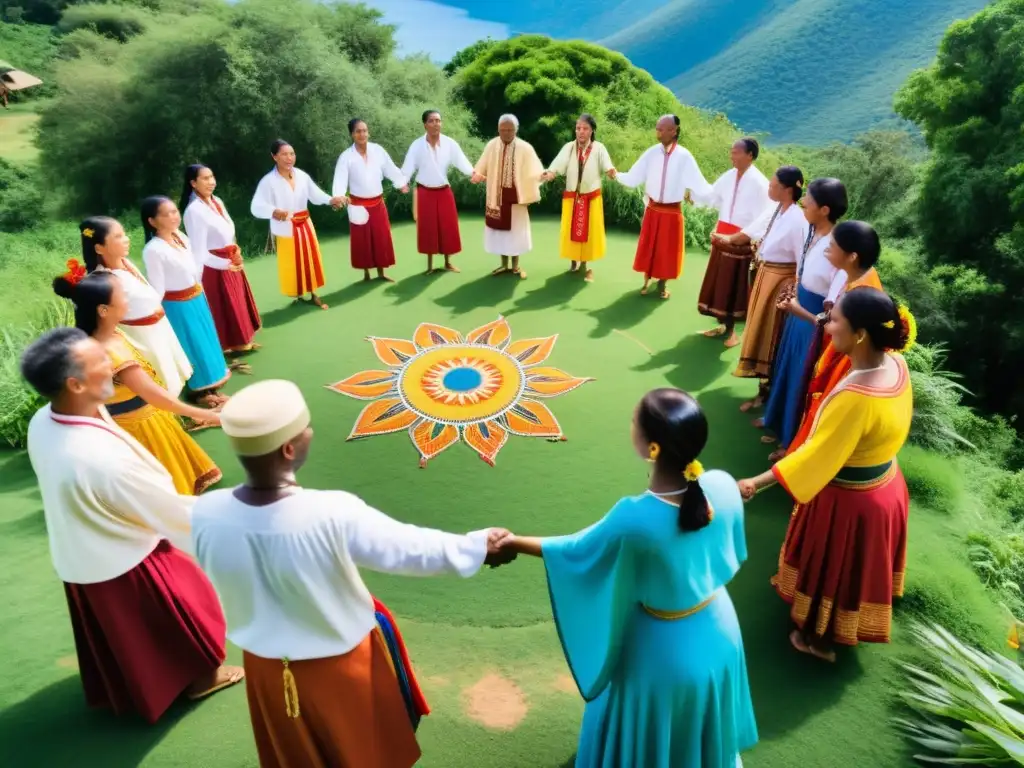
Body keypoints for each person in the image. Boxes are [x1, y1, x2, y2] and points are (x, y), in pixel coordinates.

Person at [190, 379, 517, 768]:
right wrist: (479, 546)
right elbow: (408, 549)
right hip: (340, 668)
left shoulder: (204, 513)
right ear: (290, 448)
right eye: (305, 429)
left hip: (266, 671)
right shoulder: (331, 512)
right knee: (363, 754)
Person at [500, 388, 758, 767]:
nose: (630, 426)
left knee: (645, 728)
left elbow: (577, 550)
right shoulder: (720, 484)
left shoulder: (634, 518)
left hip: (663, 653)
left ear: (652, 448)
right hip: (719, 631)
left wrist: (513, 543)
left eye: (633, 422)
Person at [20, 327, 243, 724]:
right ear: (75, 383)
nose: (114, 366)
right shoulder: (99, 461)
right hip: (125, 552)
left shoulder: (46, 419)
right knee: (187, 608)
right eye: (100, 362)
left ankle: (143, 684)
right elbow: (168, 512)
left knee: (132, 632)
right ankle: (203, 677)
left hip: (84, 549)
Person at [738, 289, 915, 663]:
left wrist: (756, 481)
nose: (828, 324)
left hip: (850, 500)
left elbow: (816, 456)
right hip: (885, 483)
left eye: (836, 320)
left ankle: (817, 639)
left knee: (833, 569)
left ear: (861, 334)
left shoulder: (858, 394)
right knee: (854, 571)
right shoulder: (897, 365)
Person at [53, 269, 222, 494]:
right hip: (141, 431)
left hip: (139, 421)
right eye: (121, 295)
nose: (127, 299)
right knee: (166, 494)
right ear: (103, 310)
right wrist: (207, 415)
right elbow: (152, 394)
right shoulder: (110, 351)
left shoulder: (102, 336)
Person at [755, 178, 848, 460]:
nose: (804, 202)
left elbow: (832, 309)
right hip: (798, 311)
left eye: (808, 198)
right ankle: (775, 422)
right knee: (785, 366)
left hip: (811, 322)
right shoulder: (811, 232)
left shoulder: (837, 246)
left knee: (801, 378)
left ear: (824, 209)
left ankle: (790, 442)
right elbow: (804, 270)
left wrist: (801, 309)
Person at [787, 221, 884, 456]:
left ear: (851, 256)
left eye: (832, 246)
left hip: (843, 363)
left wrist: (799, 311)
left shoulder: (858, 293)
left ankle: (802, 457)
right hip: (843, 357)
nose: (826, 250)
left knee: (822, 406)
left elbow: (837, 329)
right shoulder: (863, 276)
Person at [80, 216, 193, 401]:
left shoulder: (125, 263)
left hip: (157, 328)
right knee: (159, 377)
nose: (126, 239)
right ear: (99, 248)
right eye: (117, 237)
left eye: (124, 234)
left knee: (171, 371)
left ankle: (183, 411)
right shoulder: (102, 279)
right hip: (139, 336)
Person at [724, 167, 808, 412]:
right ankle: (763, 390)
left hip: (779, 282)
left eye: (773, 185)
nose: (769, 188)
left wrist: (792, 289)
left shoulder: (797, 219)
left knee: (770, 335)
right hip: (766, 275)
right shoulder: (778, 211)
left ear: (787, 190)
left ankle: (766, 393)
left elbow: (800, 260)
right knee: (759, 330)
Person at [141, 196, 231, 404]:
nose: (173, 217)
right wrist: (151, 312)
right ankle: (199, 393)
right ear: (152, 221)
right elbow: (157, 287)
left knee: (206, 341)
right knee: (191, 345)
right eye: (166, 214)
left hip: (197, 298)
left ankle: (213, 387)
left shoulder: (180, 237)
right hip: (177, 307)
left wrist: (226, 264)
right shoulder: (153, 250)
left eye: (175, 211)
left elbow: (198, 263)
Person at [612, 114, 712, 299]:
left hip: (672, 211)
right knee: (650, 247)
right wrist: (617, 175)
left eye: (661, 128)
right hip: (652, 209)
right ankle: (646, 279)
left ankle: (662, 284)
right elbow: (635, 175)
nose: (657, 131)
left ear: (673, 131)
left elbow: (698, 183)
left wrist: (698, 196)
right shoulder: (651, 153)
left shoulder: (684, 156)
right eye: (657, 128)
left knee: (667, 251)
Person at [180, 163, 262, 364]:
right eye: (205, 178)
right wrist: (225, 264)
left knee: (237, 301)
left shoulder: (217, 201)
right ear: (193, 183)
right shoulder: (194, 211)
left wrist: (236, 252)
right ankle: (227, 346)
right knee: (222, 306)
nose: (211, 182)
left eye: (212, 177)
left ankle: (242, 340)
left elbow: (228, 231)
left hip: (230, 259)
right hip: (213, 267)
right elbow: (199, 251)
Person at [250, 139, 343, 310]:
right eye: (284, 154)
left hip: (305, 223)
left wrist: (331, 200)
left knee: (311, 257)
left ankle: (314, 294)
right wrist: (273, 211)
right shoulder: (268, 181)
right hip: (285, 225)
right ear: (274, 157)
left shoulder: (301, 175)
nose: (289, 158)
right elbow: (256, 206)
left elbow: (316, 195)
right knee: (292, 262)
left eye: (292, 153)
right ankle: (299, 294)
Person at [697, 138, 772, 347]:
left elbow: (766, 215)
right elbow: (712, 195)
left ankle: (733, 332)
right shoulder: (729, 176)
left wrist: (748, 235)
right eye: (732, 152)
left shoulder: (759, 182)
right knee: (719, 281)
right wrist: (694, 196)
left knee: (734, 285)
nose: (732, 156)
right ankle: (722, 325)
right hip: (723, 233)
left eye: (737, 152)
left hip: (741, 237)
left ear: (750, 155)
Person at [540, 113, 616, 282]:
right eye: (578, 128)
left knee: (590, 233)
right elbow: (558, 163)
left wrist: (610, 170)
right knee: (570, 232)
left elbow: (607, 165)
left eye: (585, 128)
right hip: (572, 198)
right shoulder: (569, 147)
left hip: (591, 198)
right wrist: (551, 172)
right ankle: (574, 262)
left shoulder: (599, 148)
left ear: (592, 131)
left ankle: (586, 266)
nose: (581, 132)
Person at [333, 118, 409, 283]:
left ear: (368, 132)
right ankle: (366, 274)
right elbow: (340, 179)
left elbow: (390, 168)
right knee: (362, 240)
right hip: (357, 204)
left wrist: (401, 183)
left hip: (377, 202)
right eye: (358, 131)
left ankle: (381, 273)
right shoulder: (346, 157)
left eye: (365, 130)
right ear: (352, 134)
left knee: (381, 237)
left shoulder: (378, 150)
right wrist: (338, 196)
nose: (362, 134)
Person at [400, 109, 474, 274]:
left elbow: (461, 161)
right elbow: (408, 167)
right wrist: (402, 183)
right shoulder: (417, 145)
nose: (436, 124)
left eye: (438, 120)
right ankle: (430, 266)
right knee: (428, 228)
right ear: (425, 124)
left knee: (448, 226)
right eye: (432, 121)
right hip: (424, 191)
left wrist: (473, 173)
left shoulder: (449, 143)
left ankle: (448, 262)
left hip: (444, 190)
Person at [471, 114, 544, 279]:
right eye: (503, 129)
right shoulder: (491, 145)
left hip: (517, 197)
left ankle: (516, 267)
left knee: (516, 232)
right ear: (498, 129)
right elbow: (481, 166)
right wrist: (477, 174)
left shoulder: (525, 147)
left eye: (510, 130)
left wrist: (542, 175)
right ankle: (504, 265)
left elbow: (536, 169)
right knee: (501, 233)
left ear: (516, 130)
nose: (506, 133)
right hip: (496, 197)